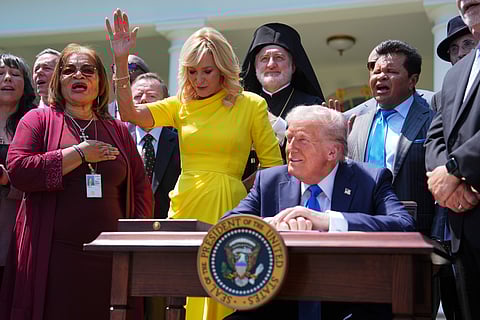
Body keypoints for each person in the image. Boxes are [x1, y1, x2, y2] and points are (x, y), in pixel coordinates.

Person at [105, 8, 283, 320]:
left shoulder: (251, 105)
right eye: (192, 71)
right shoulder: (180, 105)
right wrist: (122, 59)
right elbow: (130, 113)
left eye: (207, 71)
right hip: (186, 205)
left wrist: (239, 190)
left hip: (231, 207)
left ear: (224, 70)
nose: (198, 79)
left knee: (228, 291)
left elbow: (272, 166)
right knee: (181, 294)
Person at [0, 43, 153, 320]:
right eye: (69, 70)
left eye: (87, 70)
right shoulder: (38, 120)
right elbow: (19, 170)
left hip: (112, 259)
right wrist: (79, 154)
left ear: (99, 81)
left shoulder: (116, 129)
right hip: (53, 257)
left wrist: (137, 242)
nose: (78, 75)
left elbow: (140, 188)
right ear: (59, 80)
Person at [223, 105, 414, 320]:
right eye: (289, 138)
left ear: (332, 152)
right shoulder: (269, 181)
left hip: (349, 304)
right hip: (278, 304)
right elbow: (228, 223)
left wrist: (328, 221)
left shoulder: (369, 180)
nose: (290, 148)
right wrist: (272, 225)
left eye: (302, 140)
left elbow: (403, 224)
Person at [344, 40, 435, 237]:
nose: (381, 77)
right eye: (376, 72)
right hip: (362, 231)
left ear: (412, 80)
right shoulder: (357, 121)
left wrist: (440, 242)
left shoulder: (432, 118)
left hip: (417, 235)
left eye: (391, 71)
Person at [425, 1, 480, 318]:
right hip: (462, 227)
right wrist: (445, 182)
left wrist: (456, 169)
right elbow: (436, 135)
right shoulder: (455, 74)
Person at [240, 23, 324, 177]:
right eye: (264, 59)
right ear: (255, 66)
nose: (271, 64)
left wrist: (272, 122)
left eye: (279, 58)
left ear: (293, 66)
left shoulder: (313, 105)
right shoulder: (241, 103)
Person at [0, 53, 36, 289]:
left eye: (15, 74)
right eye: (1, 74)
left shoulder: (35, 123)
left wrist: (8, 180)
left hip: (17, 226)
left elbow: (41, 175)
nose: (7, 79)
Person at [128, 72, 180, 218]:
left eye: (151, 96)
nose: (144, 100)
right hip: (126, 225)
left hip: (168, 225)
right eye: (137, 96)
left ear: (165, 103)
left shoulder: (180, 143)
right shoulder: (119, 141)